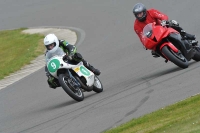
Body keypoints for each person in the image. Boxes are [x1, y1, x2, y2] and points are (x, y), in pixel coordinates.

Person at [132, 3, 198, 57]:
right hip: (153, 37)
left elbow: (162, 16)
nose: (140, 16)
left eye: (141, 13)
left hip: (162, 28)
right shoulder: (136, 25)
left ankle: (185, 35)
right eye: (138, 14)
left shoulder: (151, 12)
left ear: (144, 11)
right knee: (154, 52)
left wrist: (164, 21)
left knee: (173, 23)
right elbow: (141, 36)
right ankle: (168, 55)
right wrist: (145, 44)